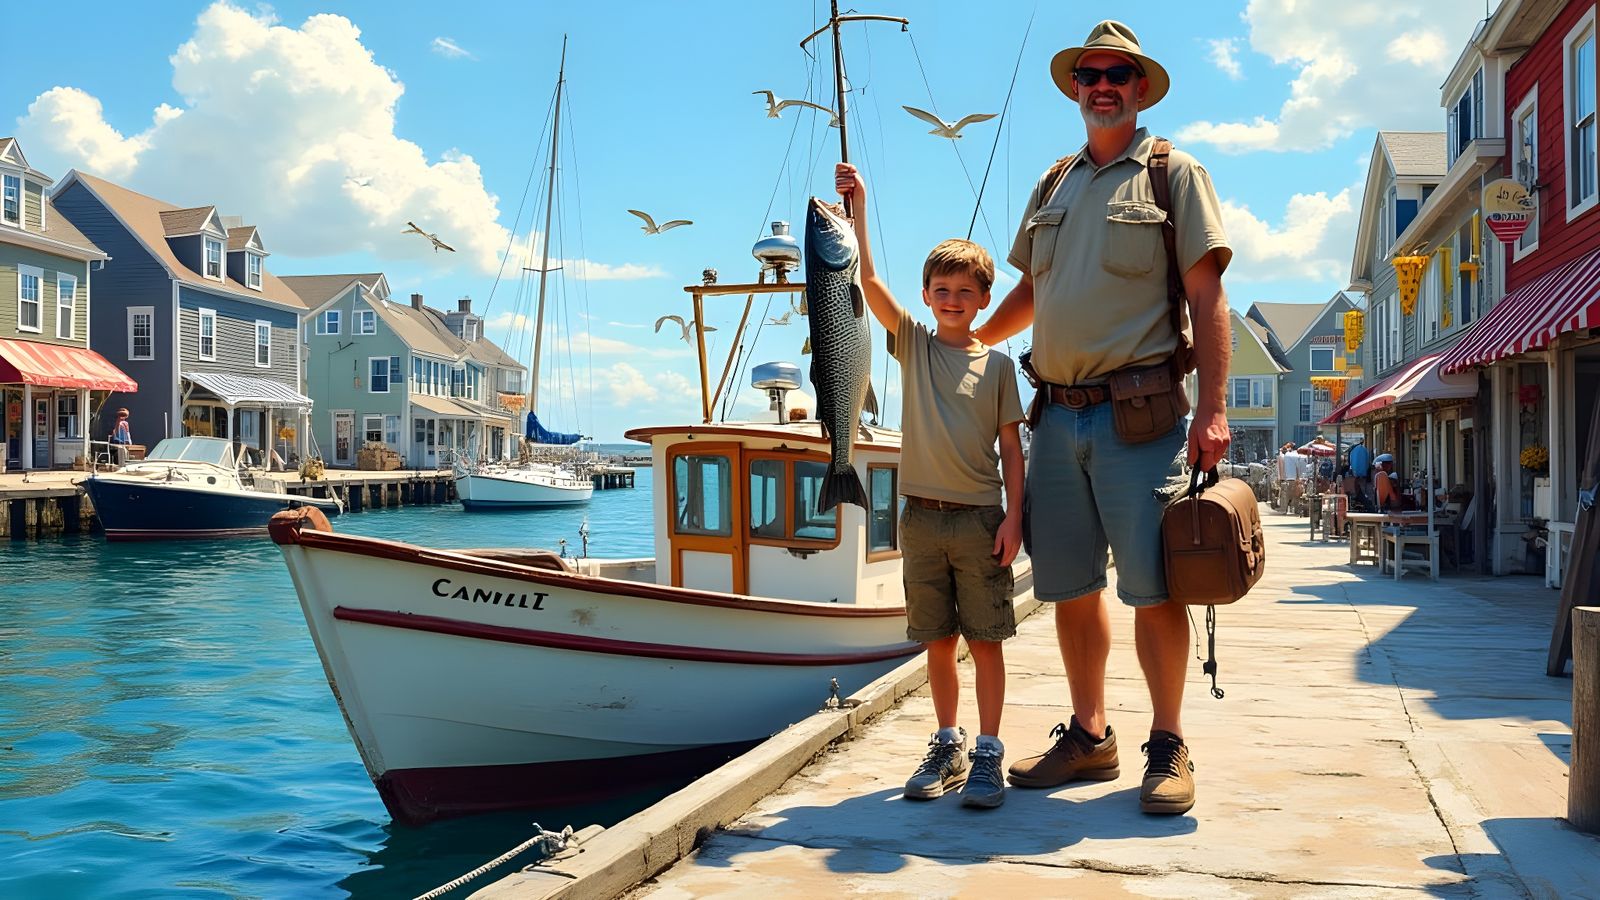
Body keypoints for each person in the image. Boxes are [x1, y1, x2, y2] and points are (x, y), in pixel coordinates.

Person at [973, 20, 1232, 816]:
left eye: (1118, 72)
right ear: (1077, 88)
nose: (1103, 84)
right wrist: (966, 341)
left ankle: (1167, 744)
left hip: (1141, 419)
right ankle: (1090, 738)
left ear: (1141, 87)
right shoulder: (1052, 184)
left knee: (1156, 591)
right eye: (1090, 74)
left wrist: (1215, 409)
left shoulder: (1172, 175)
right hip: (1055, 419)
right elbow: (1030, 295)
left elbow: (1207, 298)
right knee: (1070, 590)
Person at [836, 162, 1026, 809]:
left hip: (978, 520)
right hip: (919, 520)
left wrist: (1014, 518)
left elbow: (1011, 450)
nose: (952, 300)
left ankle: (988, 755)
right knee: (938, 643)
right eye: (941, 289)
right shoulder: (912, 346)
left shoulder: (999, 366)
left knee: (986, 641)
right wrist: (859, 207)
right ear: (927, 296)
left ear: (982, 300)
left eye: (965, 291)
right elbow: (865, 279)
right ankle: (947, 743)